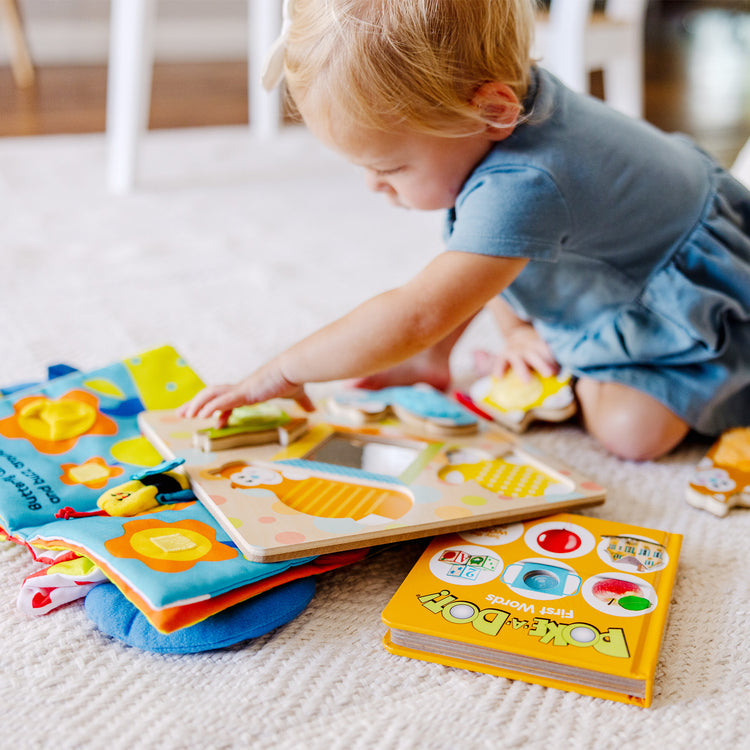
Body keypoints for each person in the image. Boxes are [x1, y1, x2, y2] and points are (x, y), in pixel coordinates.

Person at [180, 0, 750, 461]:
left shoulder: (528, 182)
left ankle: (590, 363)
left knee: (630, 433)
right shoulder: (500, 109)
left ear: (494, 111)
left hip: (699, 298)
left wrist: (281, 371)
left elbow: (418, 312)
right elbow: (489, 261)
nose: (373, 187)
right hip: (623, 255)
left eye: (390, 168)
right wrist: (512, 330)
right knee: (479, 257)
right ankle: (447, 357)